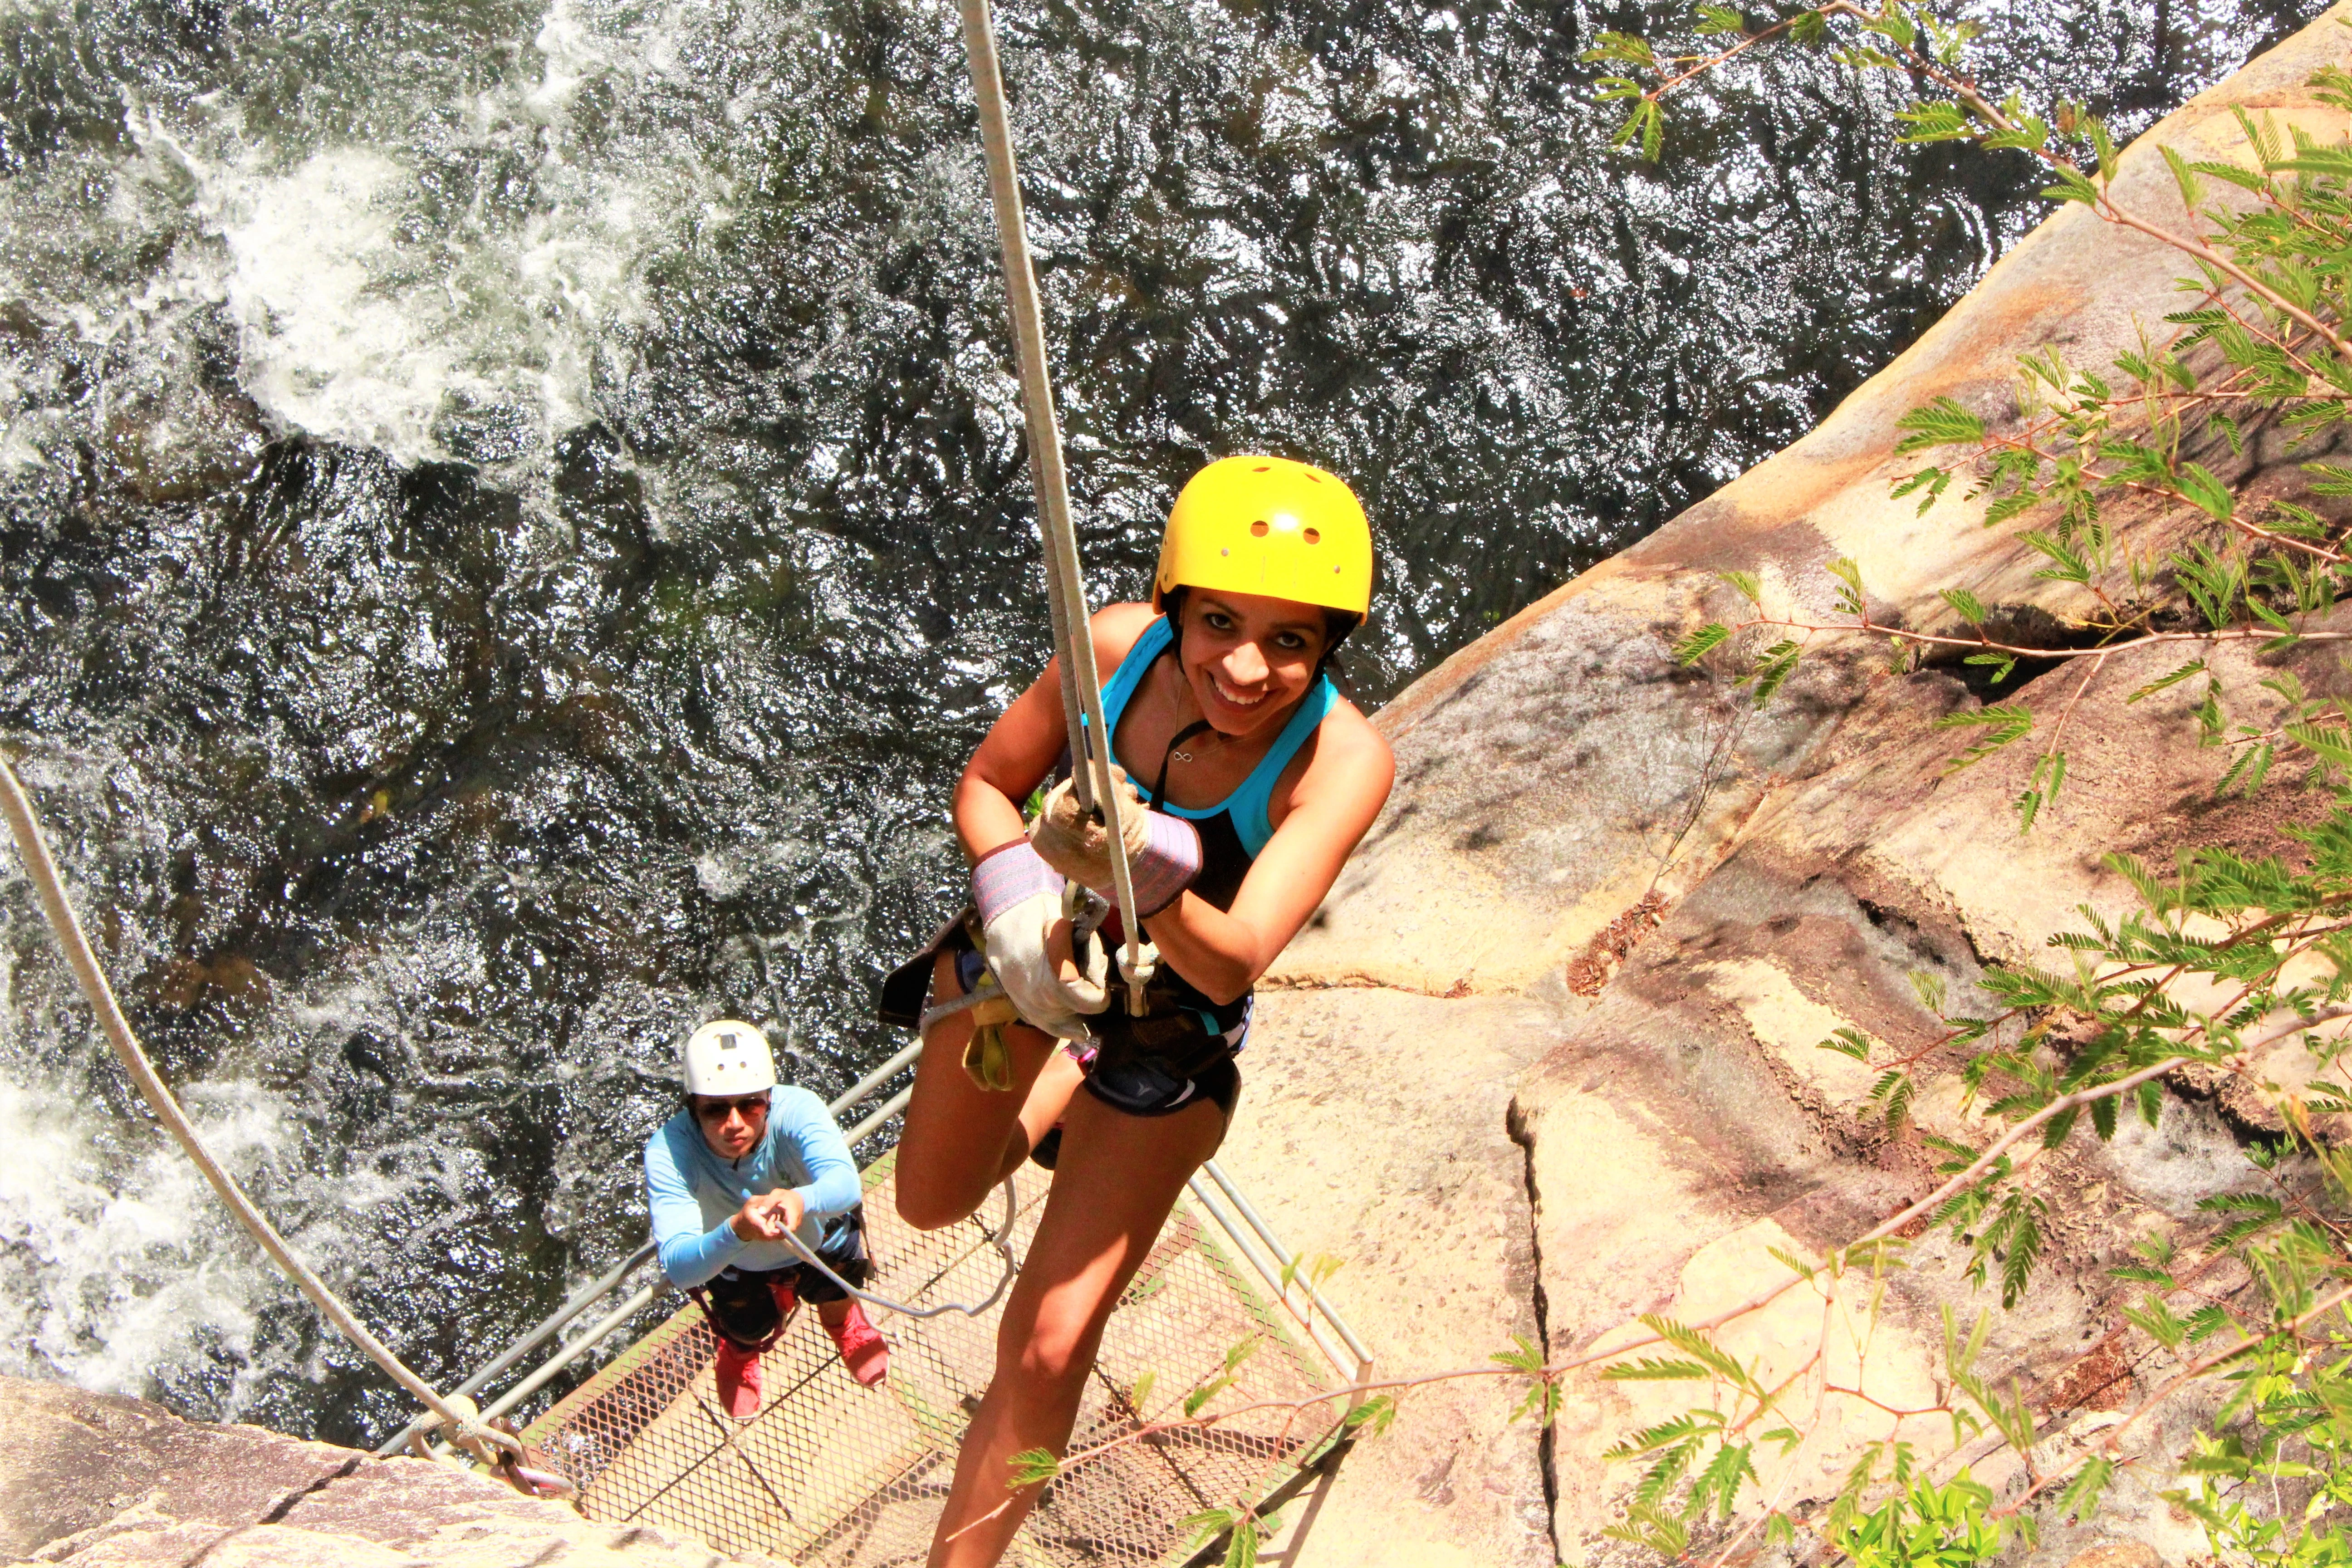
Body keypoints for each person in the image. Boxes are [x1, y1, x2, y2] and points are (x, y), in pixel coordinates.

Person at [879, 456, 1396, 1567]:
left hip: (1171, 1021)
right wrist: (1018, 884)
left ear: (1328, 646)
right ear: (1173, 608)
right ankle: (1057, 1078)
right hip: (1041, 949)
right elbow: (984, 783)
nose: (1246, 667)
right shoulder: (1113, 647)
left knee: (1050, 1343)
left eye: (1290, 639)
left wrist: (1146, 872)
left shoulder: (1339, 762)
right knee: (928, 1203)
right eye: (1218, 621)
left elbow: (1233, 961)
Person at [643, 1019, 890, 1417]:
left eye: (751, 1105)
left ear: (770, 1099)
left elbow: (845, 1185)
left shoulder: (798, 1108)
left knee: (837, 1290)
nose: (735, 1122)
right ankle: (741, 1349)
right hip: (736, 1260)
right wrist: (737, 1230)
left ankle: (843, 1322)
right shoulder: (669, 1152)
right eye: (715, 1110)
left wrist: (801, 1199)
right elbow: (680, 1267)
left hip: (818, 1234)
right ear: (693, 1109)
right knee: (745, 1323)